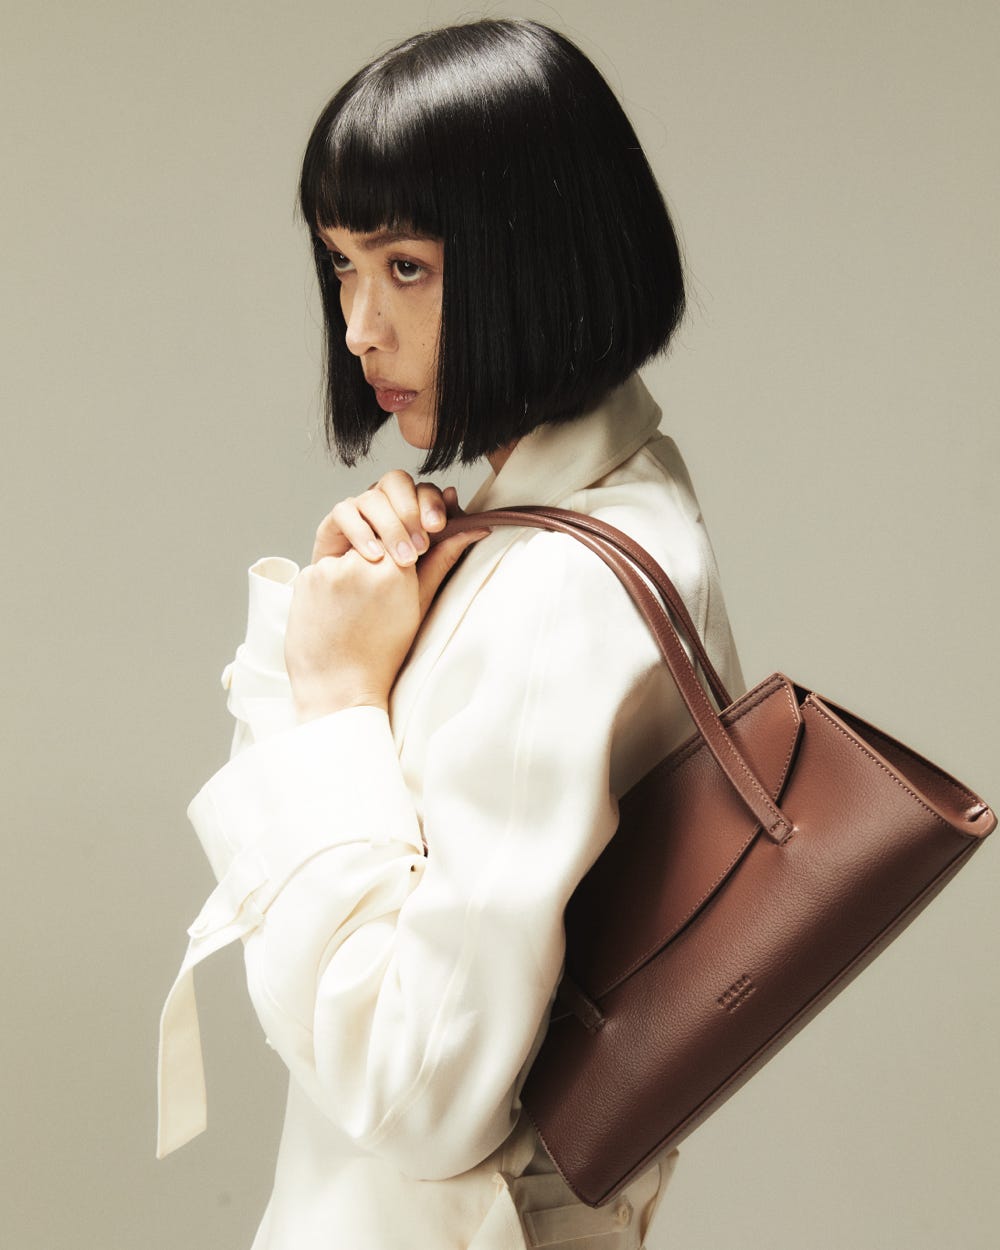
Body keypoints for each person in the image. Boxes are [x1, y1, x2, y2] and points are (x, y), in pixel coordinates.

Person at [158, 18, 744, 1250]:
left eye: (405, 266)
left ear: (540, 254)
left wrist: (331, 700)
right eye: (339, 267)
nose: (359, 325)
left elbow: (419, 1092)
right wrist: (340, 631)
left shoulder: (559, 592)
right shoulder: (575, 518)